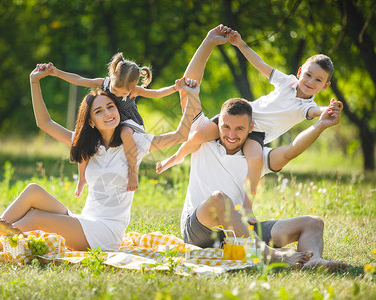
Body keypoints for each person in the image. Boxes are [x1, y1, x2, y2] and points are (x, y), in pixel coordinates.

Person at [0, 63, 201, 257]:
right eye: (99, 111)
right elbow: (44, 123)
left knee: (34, 218)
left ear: (118, 108)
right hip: (85, 220)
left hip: (104, 233)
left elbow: (180, 135)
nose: (108, 113)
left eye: (110, 107)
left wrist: (191, 96)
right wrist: (34, 82)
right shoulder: (89, 146)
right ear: (91, 121)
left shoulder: (135, 142)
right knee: (33, 191)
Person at [169, 25, 346, 268]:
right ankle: (271, 256)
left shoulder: (257, 154)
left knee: (313, 222)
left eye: (240, 129)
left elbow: (292, 150)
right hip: (200, 232)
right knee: (219, 199)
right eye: (226, 126)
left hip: (240, 237)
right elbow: (189, 87)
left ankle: (312, 261)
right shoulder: (203, 138)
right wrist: (209, 41)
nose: (231, 134)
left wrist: (321, 125)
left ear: (251, 128)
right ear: (218, 122)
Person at [157, 25, 336, 199]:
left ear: (325, 86)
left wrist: (326, 110)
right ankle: (177, 157)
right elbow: (260, 64)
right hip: (241, 115)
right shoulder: (286, 82)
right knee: (197, 135)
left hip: (257, 134)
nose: (311, 81)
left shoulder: (305, 107)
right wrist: (240, 44)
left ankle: (248, 205)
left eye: (318, 80)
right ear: (300, 72)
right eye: (308, 75)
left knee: (255, 161)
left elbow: (315, 111)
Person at [40, 53, 182, 196]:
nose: (119, 94)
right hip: (110, 120)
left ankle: (133, 172)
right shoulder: (104, 83)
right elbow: (79, 79)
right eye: (115, 90)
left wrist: (175, 88)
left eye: (124, 93)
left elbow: (156, 93)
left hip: (129, 122)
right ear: (112, 77)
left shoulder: (135, 90)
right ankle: (82, 178)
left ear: (133, 87)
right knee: (84, 135)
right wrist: (56, 72)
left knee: (125, 133)